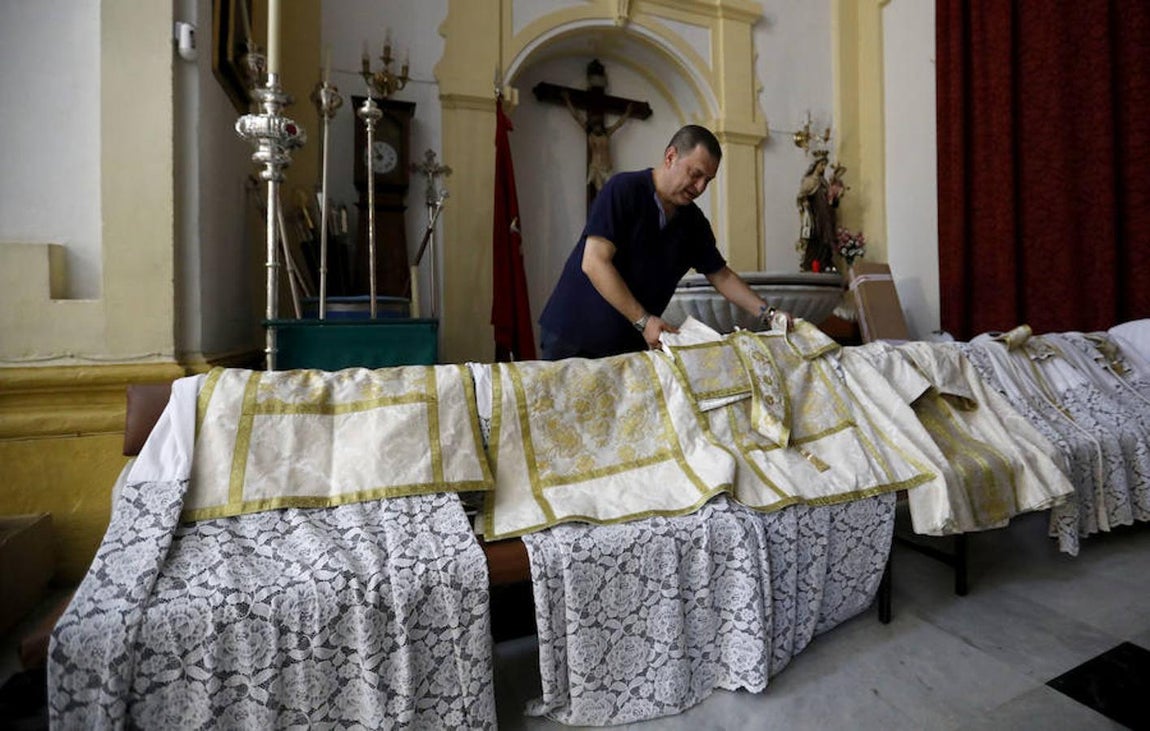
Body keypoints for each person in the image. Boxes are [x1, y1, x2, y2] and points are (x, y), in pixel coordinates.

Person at [538, 124, 789, 360]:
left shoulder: (693, 222)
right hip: (572, 335)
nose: (700, 187)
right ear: (670, 157)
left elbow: (721, 275)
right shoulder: (623, 189)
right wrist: (644, 321)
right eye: (695, 174)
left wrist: (769, 314)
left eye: (707, 181)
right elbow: (594, 262)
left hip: (627, 343)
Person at [797, 153, 836, 272]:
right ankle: (812, 264)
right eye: (822, 164)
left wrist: (835, 196)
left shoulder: (824, 181)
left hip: (826, 214)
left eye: (825, 165)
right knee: (817, 237)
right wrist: (805, 202)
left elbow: (830, 199)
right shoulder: (809, 181)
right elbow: (801, 196)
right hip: (816, 215)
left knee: (827, 238)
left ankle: (825, 262)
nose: (823, 168)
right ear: (815, 165)